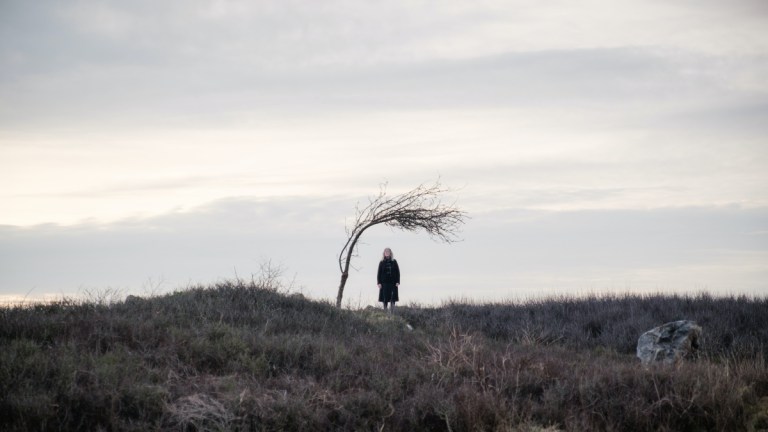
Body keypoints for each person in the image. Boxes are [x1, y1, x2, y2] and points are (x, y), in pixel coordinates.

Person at [377, 247, 400, 314]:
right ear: (384, 254)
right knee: (385, 298)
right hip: (384, 283)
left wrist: (398, 282)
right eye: (386, 252)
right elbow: (379, 273)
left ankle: (392, 312)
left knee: (393, 298)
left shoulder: (394, 262)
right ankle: (385, 312)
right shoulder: (381, 262)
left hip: (393, 283)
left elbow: (398, 272)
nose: (387, 253)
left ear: (390, 253)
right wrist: (379, 283)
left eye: (388, 252)